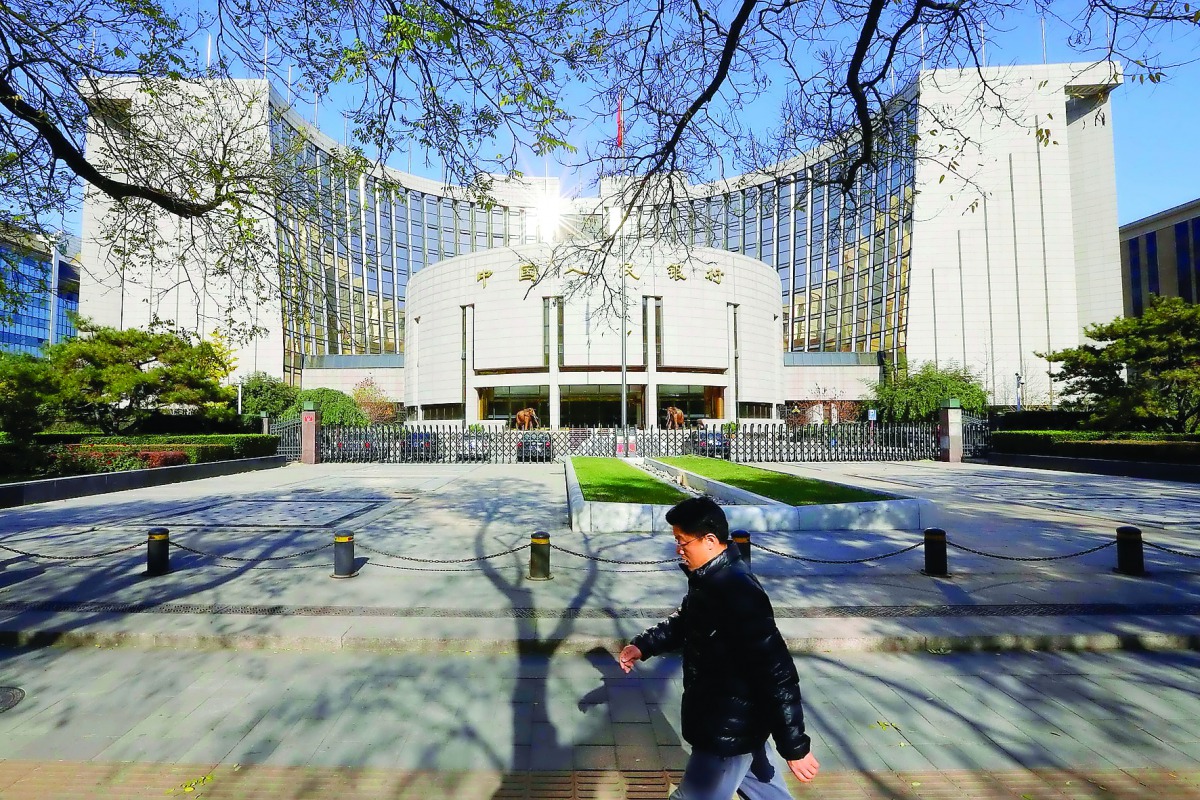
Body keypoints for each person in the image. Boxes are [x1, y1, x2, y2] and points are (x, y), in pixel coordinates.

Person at [619, 496, 819, 799]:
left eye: (683, 542)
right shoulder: (708, 580)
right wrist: (643, 646)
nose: (678, 549)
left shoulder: (738, 592)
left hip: (725, 730)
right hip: (735, 723)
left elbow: (777, 673)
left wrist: (795, 747)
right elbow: (685, 621)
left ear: (710, 540)